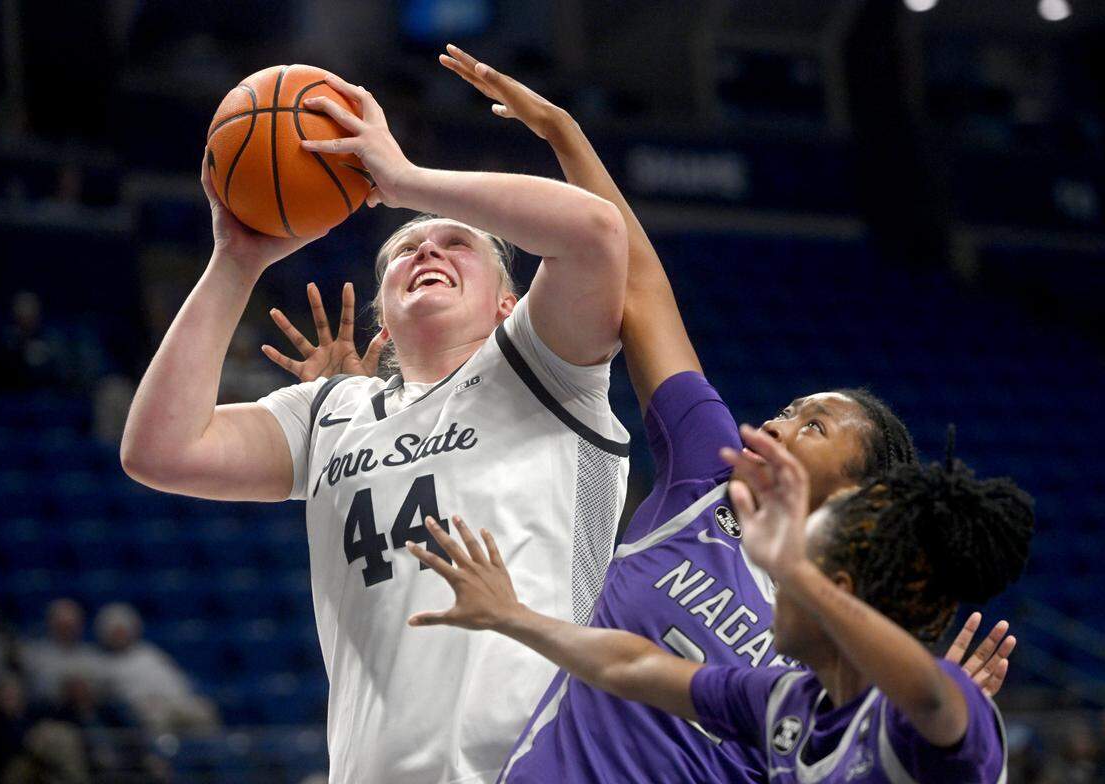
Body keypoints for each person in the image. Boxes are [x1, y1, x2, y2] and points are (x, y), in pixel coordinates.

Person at [266, 48, 1017, 782]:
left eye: (813, 426)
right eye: (791, 409)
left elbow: (920, 713)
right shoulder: (713, 482)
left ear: (854, 497)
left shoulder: (830, 648)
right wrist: (567, 137)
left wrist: (940, 721)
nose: (780, 425)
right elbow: (640, 284)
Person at [120, 72, 631, 782]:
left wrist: (407, 181)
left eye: (458, 244)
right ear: (382, 320)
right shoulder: (332, 411)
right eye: (405, 252)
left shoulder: (544, 371)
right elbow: (158, 451)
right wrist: (235, 262)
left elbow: (598, 231)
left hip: (536, 761)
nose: (426, 250)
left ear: (507, 302)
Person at [406, 423, 1035, 783]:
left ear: (830, 596)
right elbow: (635, 667)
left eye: (786, 577)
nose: (771, 586)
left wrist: (791, 563)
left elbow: (930, 694)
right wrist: (512, 616)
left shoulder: (922, 720)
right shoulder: (783, 704)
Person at [93, 603, 217, 733]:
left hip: (176, 701)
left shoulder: (149, 652)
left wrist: (182, 698)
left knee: (204, 710)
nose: (120, 636)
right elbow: (115, 696)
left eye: (123, 631)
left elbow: (175, 678)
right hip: (145, 708)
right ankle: (157, 753)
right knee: (156, 720)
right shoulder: (102, 663)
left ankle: (209, 752)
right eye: (115, 632)